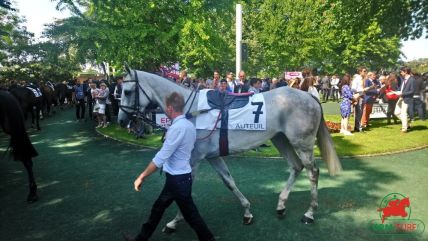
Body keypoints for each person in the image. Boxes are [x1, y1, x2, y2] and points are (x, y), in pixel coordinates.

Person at [123, 92, 215, 241]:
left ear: (171, 108)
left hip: (178, 180)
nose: (166, 109)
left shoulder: (178, 127)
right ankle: (140, 239)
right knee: (158, 208)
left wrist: (141, 176)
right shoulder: (188, 126)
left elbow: (160, 158)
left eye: (167, 107)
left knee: (191, 216)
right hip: (178, 179)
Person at [398, 66, 415, 133]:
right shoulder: (403, 79)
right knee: (396, 112)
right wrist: (395, 92)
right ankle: (407, 124)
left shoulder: (412, 79)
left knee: (403, 113)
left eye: (401, 71)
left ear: (405, 72)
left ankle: (404, 128)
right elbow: (401, 89)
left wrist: (403, 94)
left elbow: (412, 91)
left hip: (407, 98)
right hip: (401, 97)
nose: (400, 73)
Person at [351, 66, 368, 132]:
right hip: (359, 96)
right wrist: (356, 97)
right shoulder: (357, 79)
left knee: (360, 112)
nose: (365, 72)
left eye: (366, 71)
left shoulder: (362, 79)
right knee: (359, 112)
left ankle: (357, 126)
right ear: (360, 71)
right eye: (364, 71)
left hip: (362, 96)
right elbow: (353, 88)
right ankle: (358, 127)